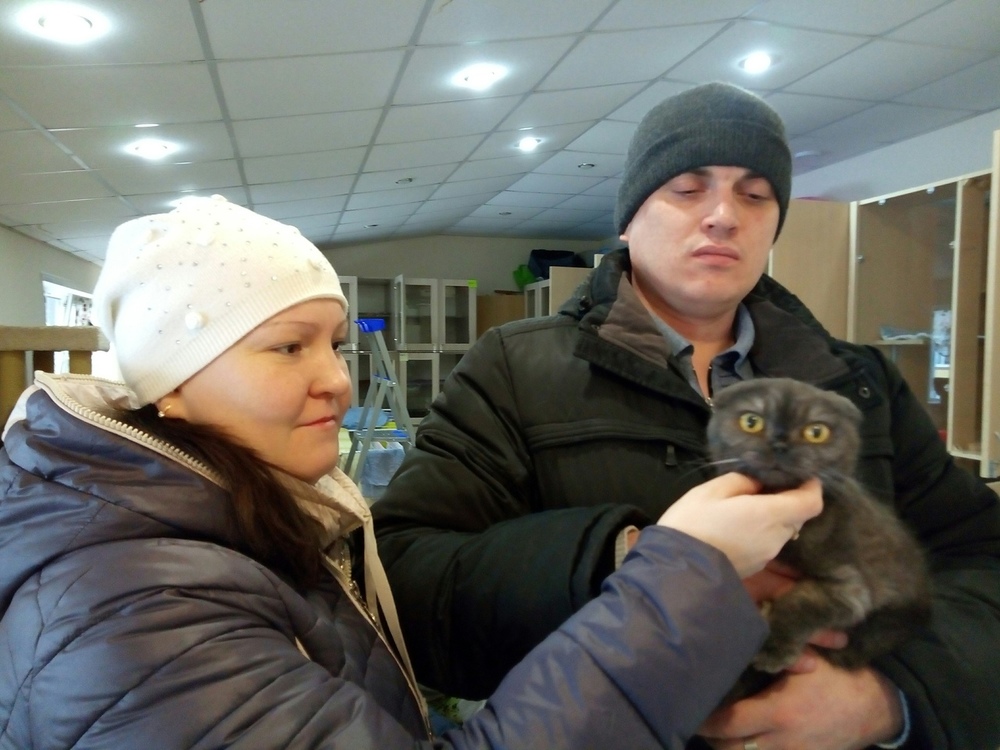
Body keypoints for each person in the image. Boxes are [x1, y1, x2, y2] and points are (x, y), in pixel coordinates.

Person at [0, 195, 823, 749]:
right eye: (287, 347)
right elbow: (430, 570)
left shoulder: (249, 520)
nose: (337, 380)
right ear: (172, 383)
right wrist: (676, 572)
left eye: (333, 343)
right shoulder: (132, 609)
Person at [372, 82, 1000, 750]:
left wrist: (889, 699)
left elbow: (981, 560)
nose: (724, 216)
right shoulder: (514, 369)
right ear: (628, 217)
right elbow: (407, 585)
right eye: (687, 188)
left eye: (755, 195)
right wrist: (626, 558)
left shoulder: (860, 384)